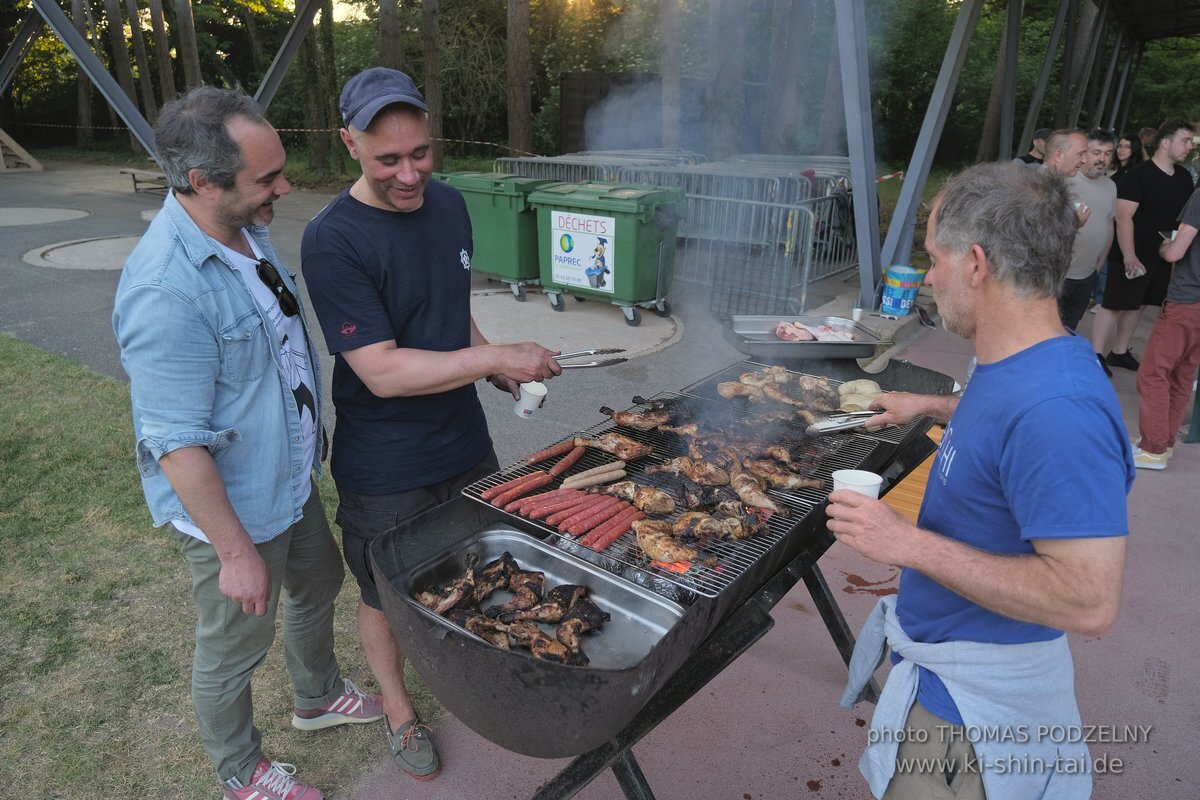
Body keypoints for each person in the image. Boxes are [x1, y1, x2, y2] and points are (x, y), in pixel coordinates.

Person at [113, 86, 382, 800]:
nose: (284, 189)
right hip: (233, 511)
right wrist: (233, 554)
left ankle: (317, 695)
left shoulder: (242, 228)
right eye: (267, 179)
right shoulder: (165, 290)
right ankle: (240, 771)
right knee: (233, 648)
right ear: (202, 182)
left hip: (286, 479)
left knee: (320, 581)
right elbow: (175, 444)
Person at [831, 162, 1132, 799]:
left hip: (971, 713)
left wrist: (905, 544)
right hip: (949, 679)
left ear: (975, 264)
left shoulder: (1060, 411)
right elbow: (1002, 423)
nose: (928, 277)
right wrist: (931, 408)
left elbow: (1088, 601)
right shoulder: (1022, 363)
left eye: (934, 259)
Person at [300, 67, 562, 781]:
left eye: (420, 153)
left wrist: (493, 366)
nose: (410, 173)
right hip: (385, 461)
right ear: (348, 142)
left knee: (473, 565)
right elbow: (380, 370)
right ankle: (399, 709)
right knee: (384, 595)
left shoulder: (448, 204)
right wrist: (495, 354)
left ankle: (472, 674)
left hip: (463, 440)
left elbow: (449, 307)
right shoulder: (333, 239)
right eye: (388, 159)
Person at [1091, 119, 1195, 373]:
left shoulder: (1183, 177)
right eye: (1185, 140)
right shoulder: (1139, 175)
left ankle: (1119, 351)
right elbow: (1122, 217)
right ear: (1166, 142)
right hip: (1129, 254)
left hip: (1160, 256)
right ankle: (1095, 356)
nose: (1189, 147)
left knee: (1139, 304)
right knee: (1113, 304)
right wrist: (1129, 254)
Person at [1130, 184, 1200, 469]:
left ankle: (1153, 448)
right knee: (1182, 376)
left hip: (1187, 298)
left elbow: (1175, 253)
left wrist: (1164, 244)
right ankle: (1165, 442)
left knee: (1153, 373)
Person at [1060, 129, 1117, 333]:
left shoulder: (1111, 186)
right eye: (1096, 152)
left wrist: (1100, 264)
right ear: (1083, 154)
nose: (1102, 159)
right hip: (1058, 274)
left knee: (1069, 331)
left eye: (1108, 153)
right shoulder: (1065, 181)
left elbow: (1108, 225)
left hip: (1087, 276)